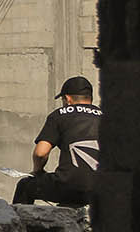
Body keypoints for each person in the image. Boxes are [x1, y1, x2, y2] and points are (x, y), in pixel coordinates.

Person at [16, 76, 100, 206]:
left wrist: (38, 171)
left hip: (68, 187)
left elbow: (40, 153)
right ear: (90, 98)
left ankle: (20, 225)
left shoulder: (59, 115)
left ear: (67, 99)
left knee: (25, 186)